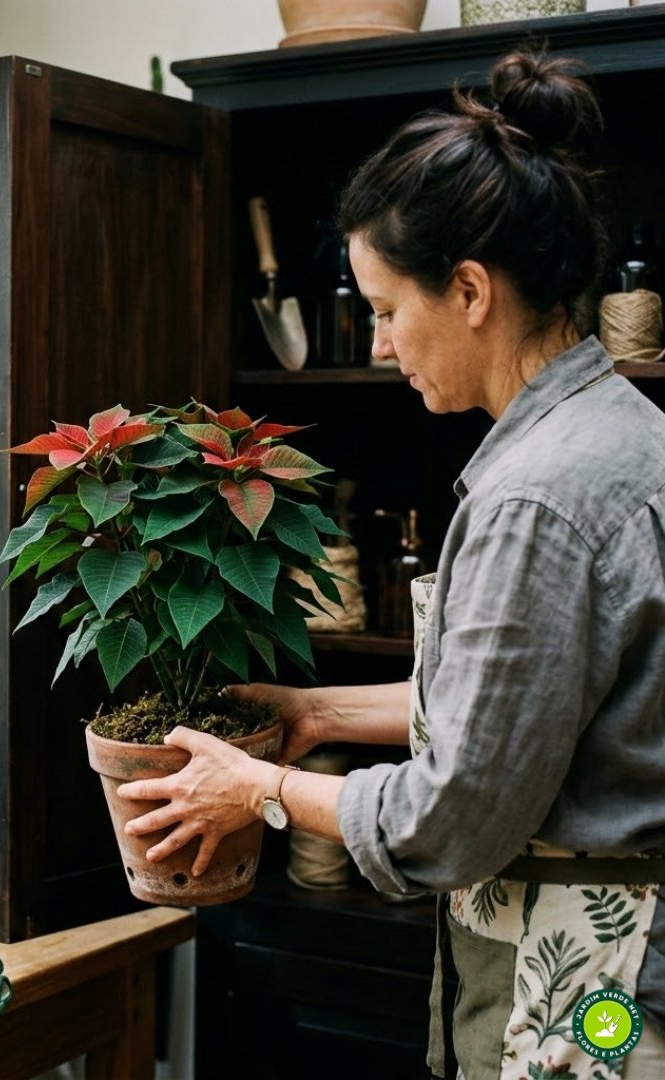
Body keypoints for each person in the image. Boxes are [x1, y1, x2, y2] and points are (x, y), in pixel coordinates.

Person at [117, 48, 665, 1080]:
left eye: (383, 308)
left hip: (594, 985)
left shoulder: (536, 496)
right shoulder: (622, 429)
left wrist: (260, 788)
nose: (376, 346)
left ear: (467, 290)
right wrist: (319, 714)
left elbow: (450, 816)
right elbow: (519, 705)